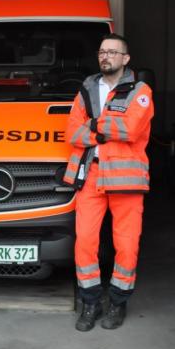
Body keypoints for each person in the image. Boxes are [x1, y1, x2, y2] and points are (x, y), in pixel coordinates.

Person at [63, 33, 154, 331]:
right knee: (85, 242)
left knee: (126, 246)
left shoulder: (140, 91)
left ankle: (117, 302)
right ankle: (90, 303)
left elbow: (129, 129)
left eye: (113, 52)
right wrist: (102, 131)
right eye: (102, 51)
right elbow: (72, 133)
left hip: (126, 179)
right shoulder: (87, 88)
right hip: (90, 174)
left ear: (126, 59)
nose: (106, 56)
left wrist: (92, 125)